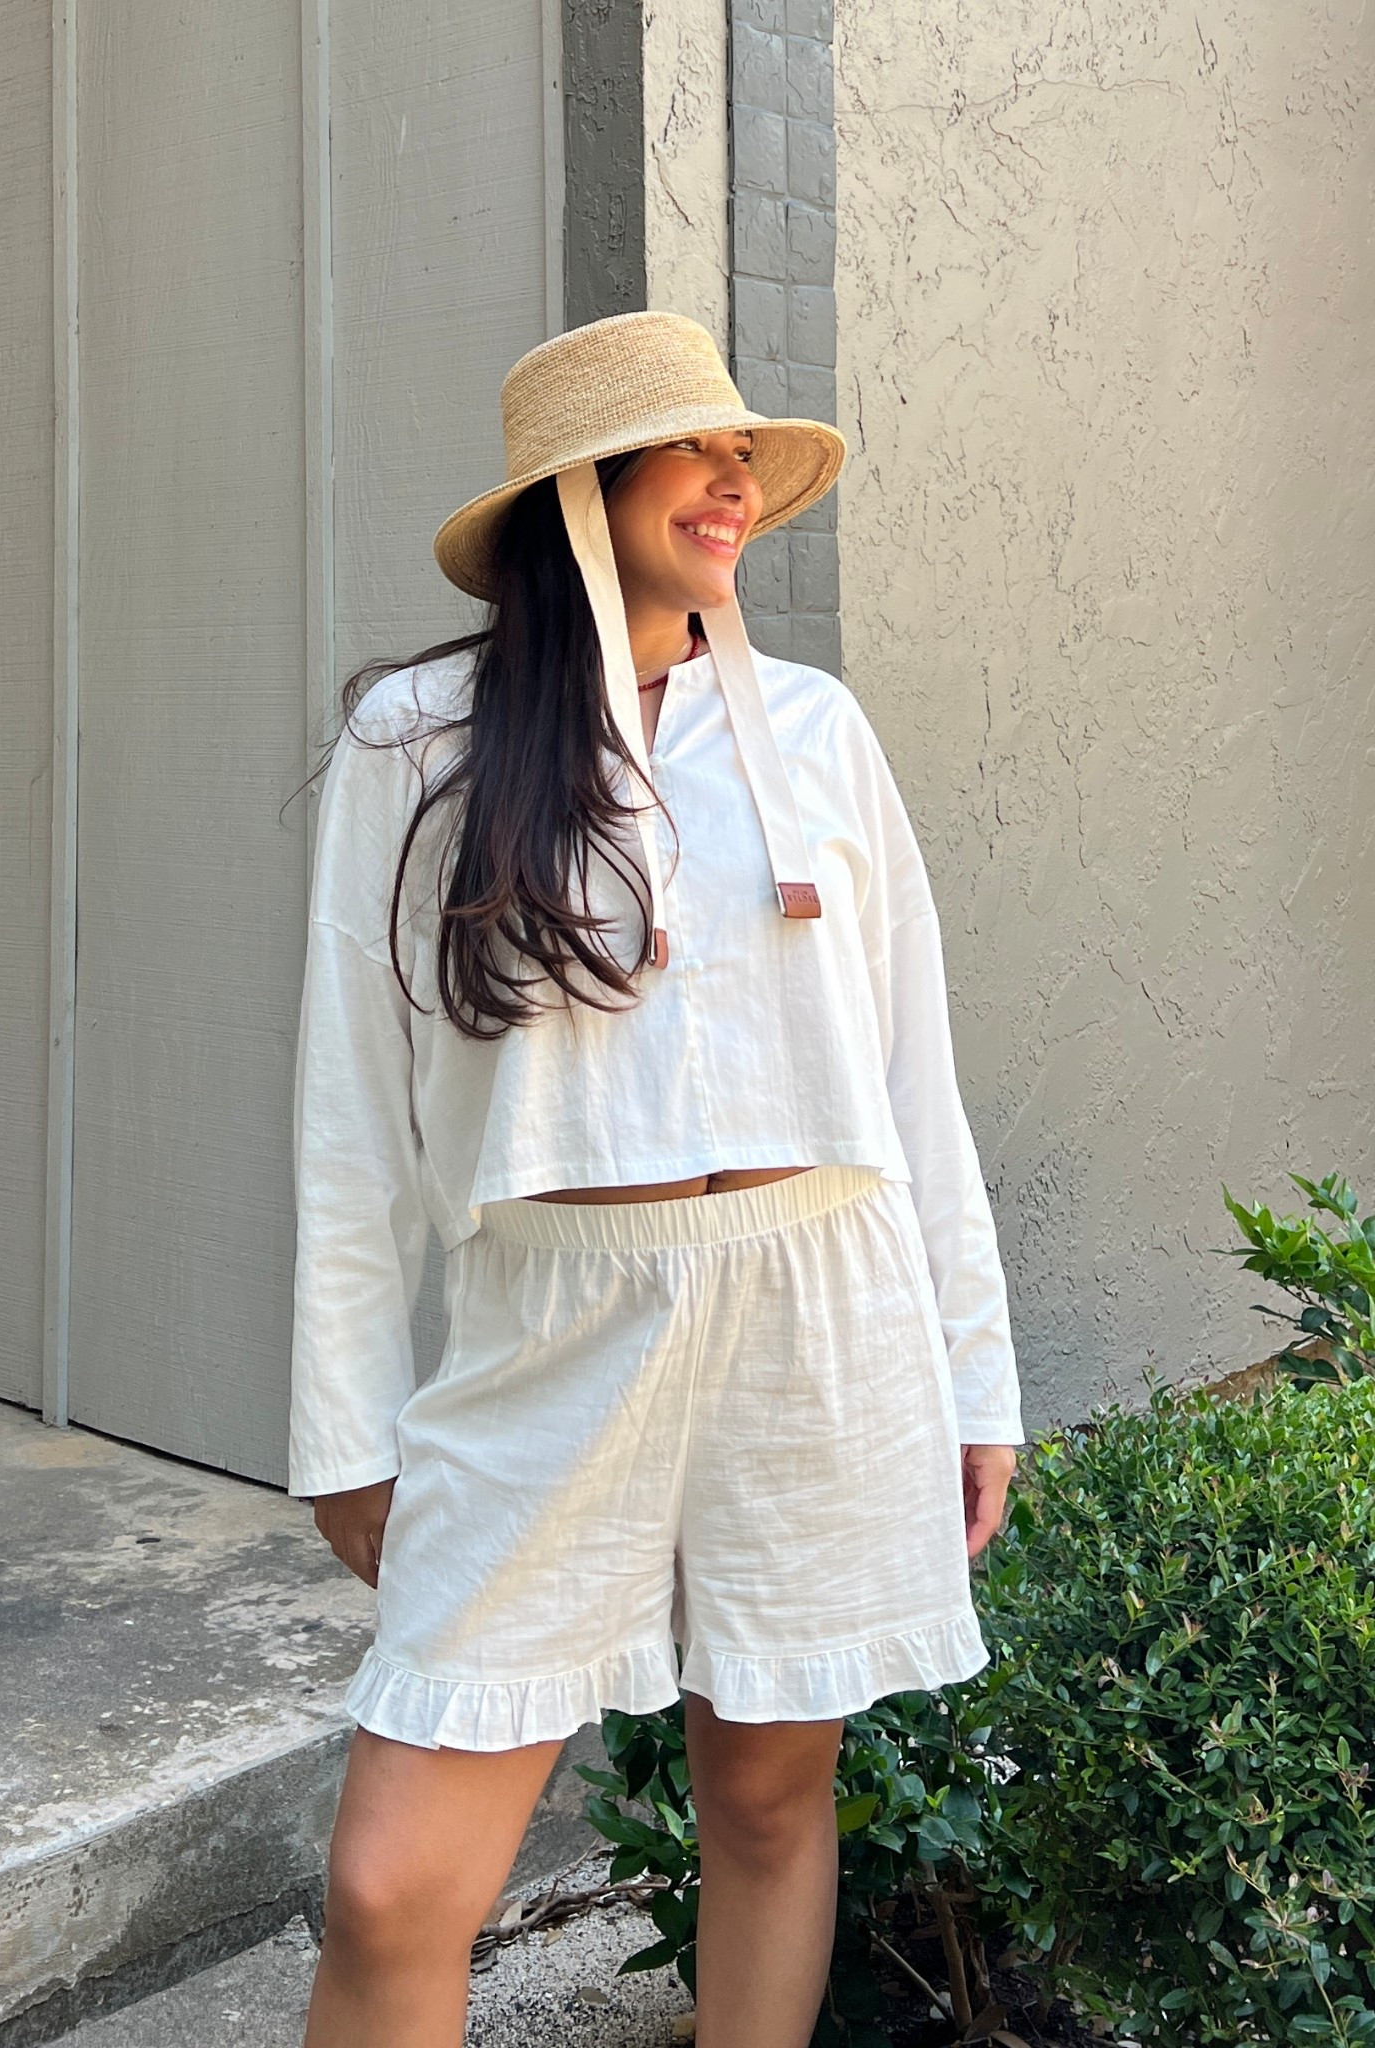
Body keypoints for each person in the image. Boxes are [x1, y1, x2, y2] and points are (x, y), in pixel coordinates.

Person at [288, 309, 1023, 2048]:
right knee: (391, 1886)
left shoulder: (822, 735)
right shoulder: (419, 742)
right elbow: (350, 1105)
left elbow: (916, 1079)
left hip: (818, 1304)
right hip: (554, 1331)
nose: (736, 479)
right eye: (694, 448)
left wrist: (970, 1365)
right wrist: (345, 1419)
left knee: (767, 1804)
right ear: (576, 489)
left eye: (742, 453)